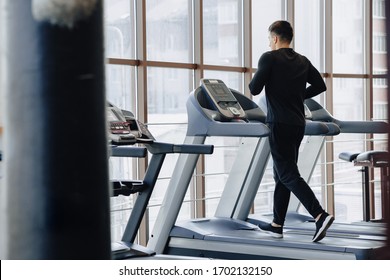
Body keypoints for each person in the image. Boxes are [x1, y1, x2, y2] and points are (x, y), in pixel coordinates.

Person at [249, 20, 334, 242]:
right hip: (298, 124)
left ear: (275, 38)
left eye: (269, 39)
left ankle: (319, 214)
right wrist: (296, 96)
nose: (269, 43)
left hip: (278, 122)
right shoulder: (303, 61)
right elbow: (320, 86)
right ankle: (277, 224)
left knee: (287, 173)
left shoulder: (269, 58)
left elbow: (254, 88)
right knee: (282, 174)